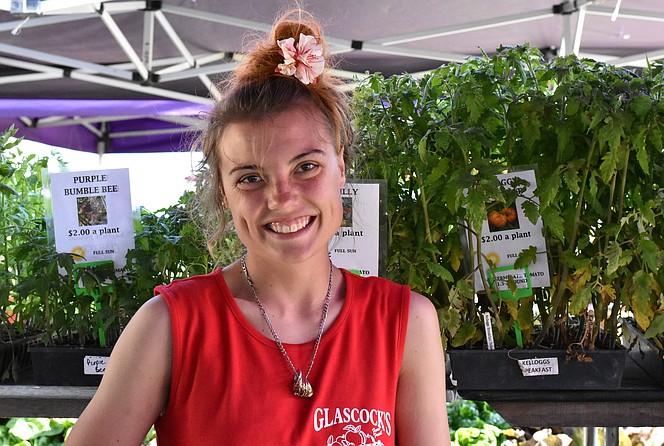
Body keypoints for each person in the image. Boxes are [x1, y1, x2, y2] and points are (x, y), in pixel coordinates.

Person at [65, 9, 450, 445]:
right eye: (250, 177)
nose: (281, 198)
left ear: (340, 168)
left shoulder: (405, 322)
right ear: (224, 193)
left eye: (306, 167)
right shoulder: (169, 327)